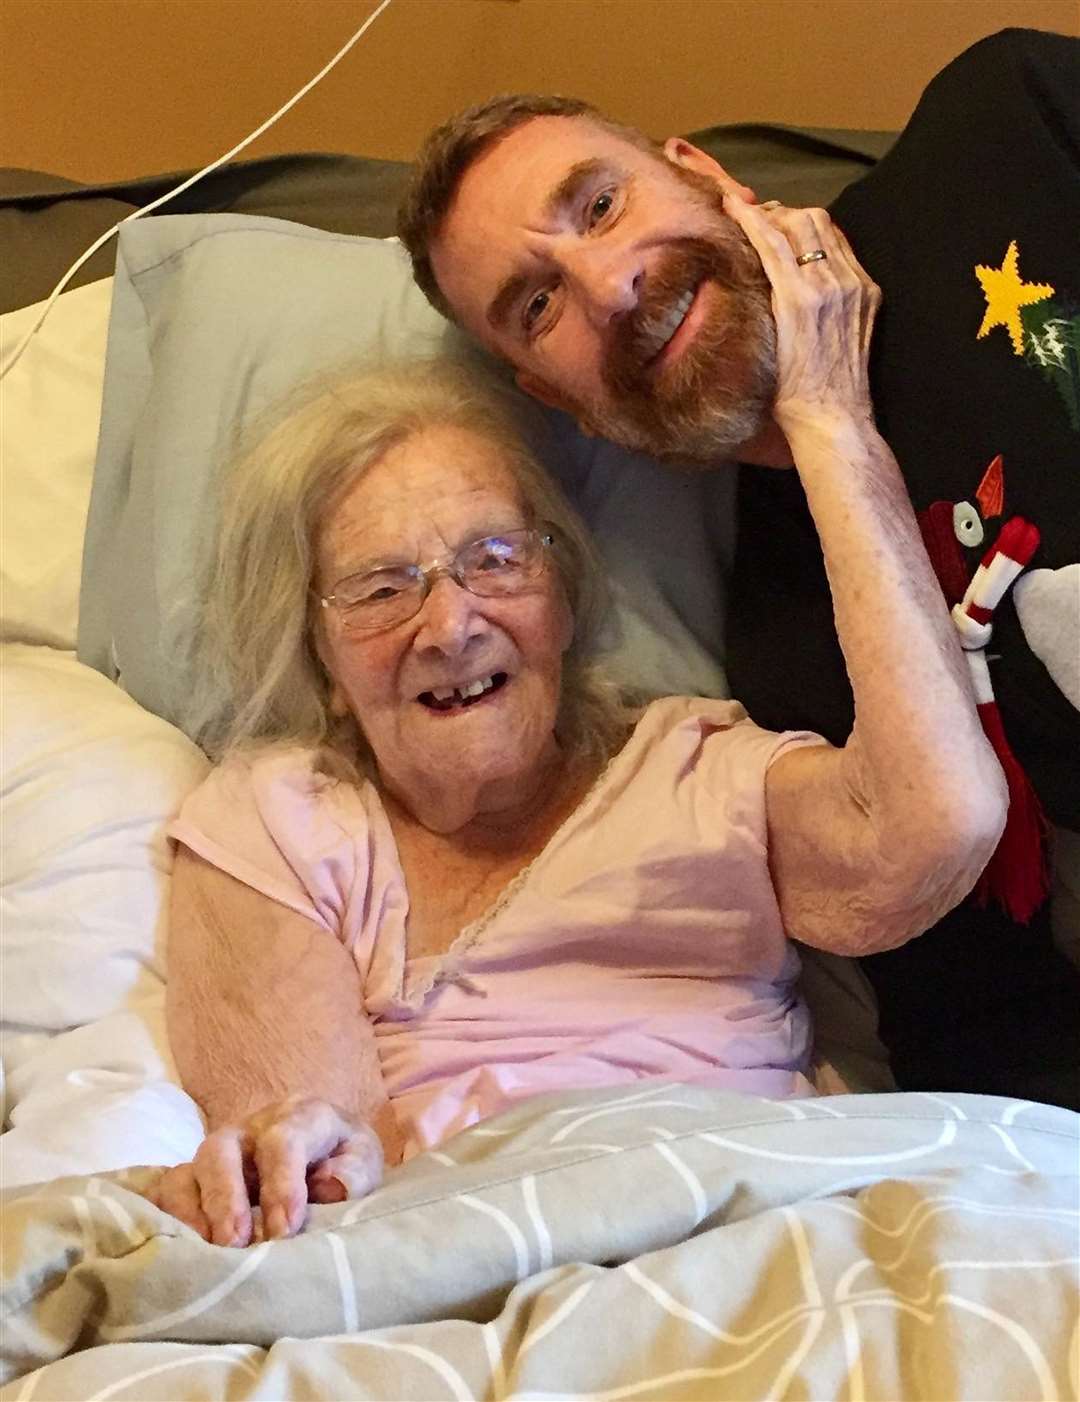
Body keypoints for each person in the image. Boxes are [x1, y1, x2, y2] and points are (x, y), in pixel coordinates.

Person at [153, 346, 1002, 1248]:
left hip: (757, 1242)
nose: (449, 626)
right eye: (381, 589)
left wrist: (833, 430)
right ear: (321, 665)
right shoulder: (280, 822)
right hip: (469, 1274)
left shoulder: (695, 767)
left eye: (495, 558)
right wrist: (324, 1161)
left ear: (562, 598)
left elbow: (939, 825)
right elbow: (315, 1194)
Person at [396, 26, 1080, 1102]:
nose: (610, 286)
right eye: (538, 307)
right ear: (556, 401)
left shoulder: (1003, 128)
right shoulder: (799, 665)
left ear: (702, 177)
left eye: (602, 205)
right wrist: (826, 416)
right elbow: (995, 1037)